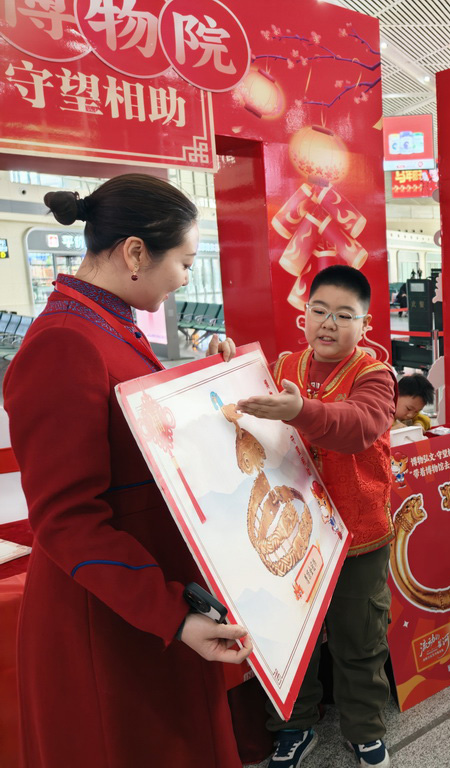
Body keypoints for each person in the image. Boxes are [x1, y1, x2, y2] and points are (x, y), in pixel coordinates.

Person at [3, 175, 252, 768]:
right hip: (110, 615)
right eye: (186, 263)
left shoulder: (105, 325)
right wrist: (171, 612)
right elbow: (67, 521)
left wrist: (212, 383)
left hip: (142, 599)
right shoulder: (64, 342)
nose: (187, 280)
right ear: (136, 252)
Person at [211, 265, 396, 768]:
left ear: (366, 324)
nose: (328, 323)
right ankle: (294, 727)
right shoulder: (285, 364)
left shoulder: (375, 375)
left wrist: (299, 411)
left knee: (360, 638)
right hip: (294, 534)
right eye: (318, 311)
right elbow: (245, 404)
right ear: (304, 315)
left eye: (343, 315)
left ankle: (364, 730)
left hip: (358, 535)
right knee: (292, 638)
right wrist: (227, 367)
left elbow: (360, 426)